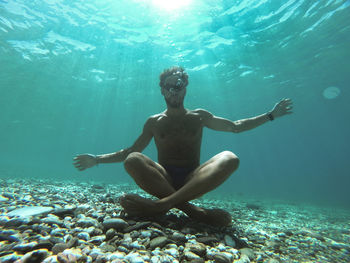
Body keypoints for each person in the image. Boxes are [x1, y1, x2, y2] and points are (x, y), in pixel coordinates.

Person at [73, 66, 293, 227]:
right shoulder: (154, 122)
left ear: (185, 88)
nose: (174, 90)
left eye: (178, 85)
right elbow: (129, 152)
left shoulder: (199, 116)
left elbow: (236, 126)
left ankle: (162, 205)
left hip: (193, 180)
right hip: (163, 180)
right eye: (169, 86)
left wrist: (271, 115)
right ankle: (194, 212)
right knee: (133, 160)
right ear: (162, 90)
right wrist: (97, 159)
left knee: (230, 157)